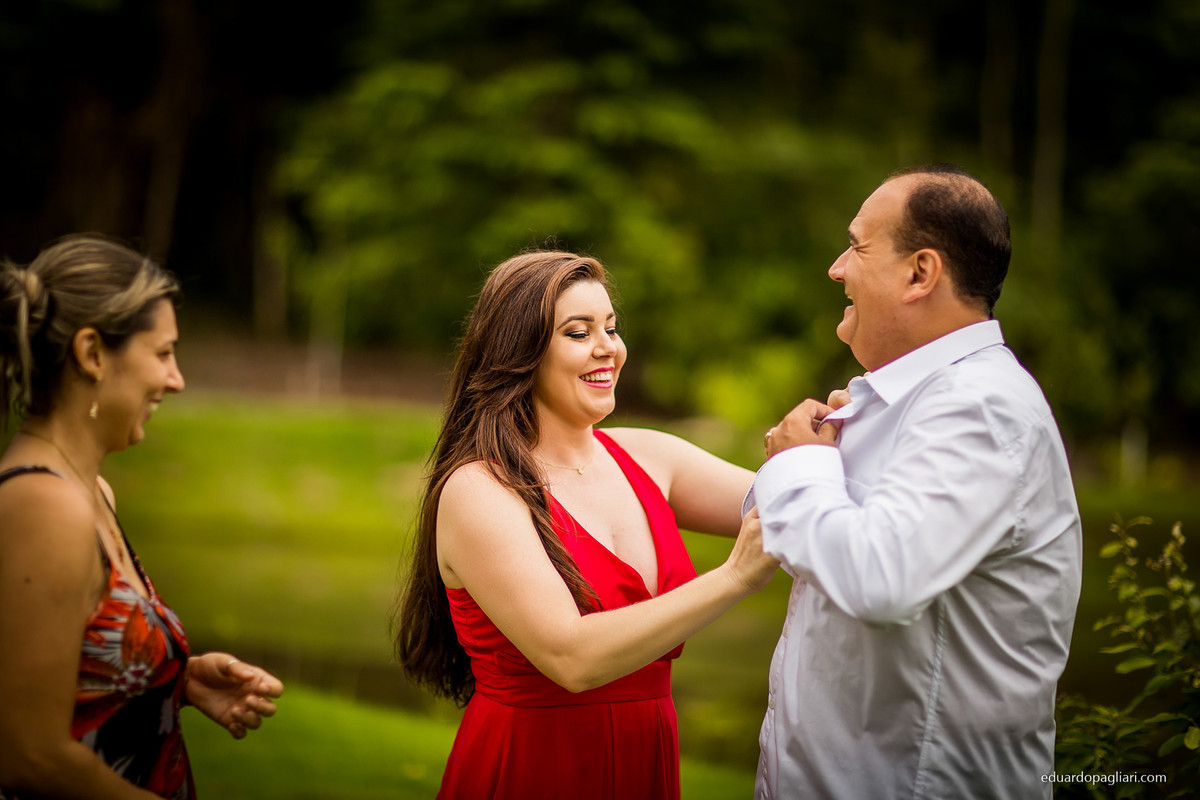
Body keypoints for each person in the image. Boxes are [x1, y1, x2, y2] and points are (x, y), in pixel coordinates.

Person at [747, 164, 1082, 799]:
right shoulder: (910, 402)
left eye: (856, 246)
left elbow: (880, 578)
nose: (836, 268)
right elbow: (790, 525)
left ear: (919, 273)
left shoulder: (981, 408)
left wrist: (800, 463)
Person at [395, 250, 778, 800]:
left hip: (645, 756)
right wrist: (734, 577)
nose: (609, 348)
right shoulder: (479, 489)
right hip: (534, 766)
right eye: (579, 332)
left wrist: (843, 429)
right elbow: (572, 658)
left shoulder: (651, 456)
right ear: (520, 352)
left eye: (611, 327)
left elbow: (798, 503)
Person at [0, 235, 284, 800]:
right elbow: (27, 755)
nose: (176, 379)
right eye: (162, 353)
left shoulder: (91, 493)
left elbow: (66, 672)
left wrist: (173, 682)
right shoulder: (42, 506)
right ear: (92, 353)